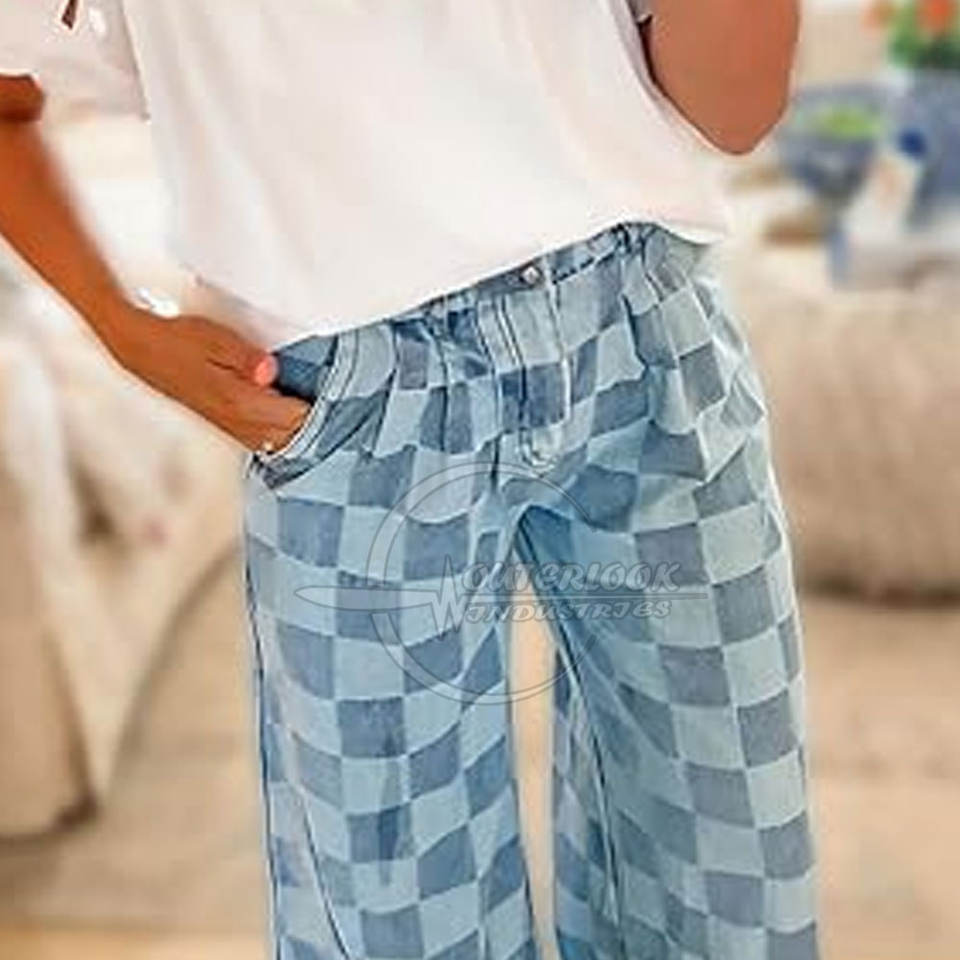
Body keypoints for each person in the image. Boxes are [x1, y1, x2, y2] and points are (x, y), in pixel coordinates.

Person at [0, 2, 819, 958]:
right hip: (359, 399)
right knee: (400, 922)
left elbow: (735, 110)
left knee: (734, 891)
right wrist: (120, 322)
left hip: (644, 325)